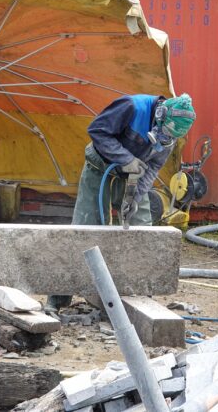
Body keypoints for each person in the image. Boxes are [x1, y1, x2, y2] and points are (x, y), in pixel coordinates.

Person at [45, 93, 196, 313]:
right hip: (100, 171)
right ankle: (57, 299)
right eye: (163, 132)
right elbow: (97, 131)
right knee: (84, 229)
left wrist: (136, 196)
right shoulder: (132, 107)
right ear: (160, 114)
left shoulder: (169, 135)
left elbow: (152, 167)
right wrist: (126, 159)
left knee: (143, 231)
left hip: (132, 179)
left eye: (169, 137)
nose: (164, 138)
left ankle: (142, 297)